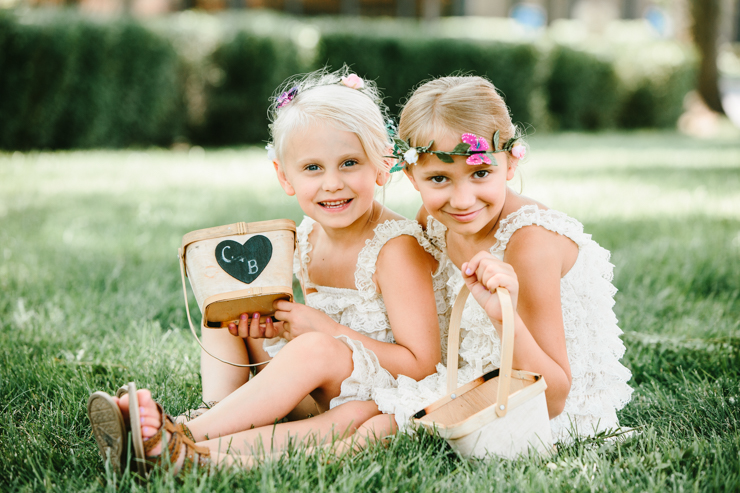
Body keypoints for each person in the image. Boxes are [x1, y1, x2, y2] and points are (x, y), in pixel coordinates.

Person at [86, 68, 453, 475]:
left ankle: (189, 439)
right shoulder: (308, 235)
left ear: (383, 166)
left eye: (349, 163)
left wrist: (320, 330)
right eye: (312, 168)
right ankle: (215, 412)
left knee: (320, 360)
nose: (332, 183)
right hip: (327, 385)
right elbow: (314, 337)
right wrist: (275, 328)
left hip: (387, 392)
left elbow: (422, 365)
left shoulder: (394, 247)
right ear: (285, 176)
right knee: (225, 312)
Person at [367, 75, 633, 442]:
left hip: (534, 408)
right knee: (358, 403)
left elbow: (552, 397)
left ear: (510, 163)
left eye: (480, 173)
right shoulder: (432, 222)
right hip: (468, 381)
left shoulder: (529, 242)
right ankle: (258, 449)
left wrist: (499, 314)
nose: (461, 200)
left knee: (380, 424)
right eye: (439, 179)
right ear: (412, 175)